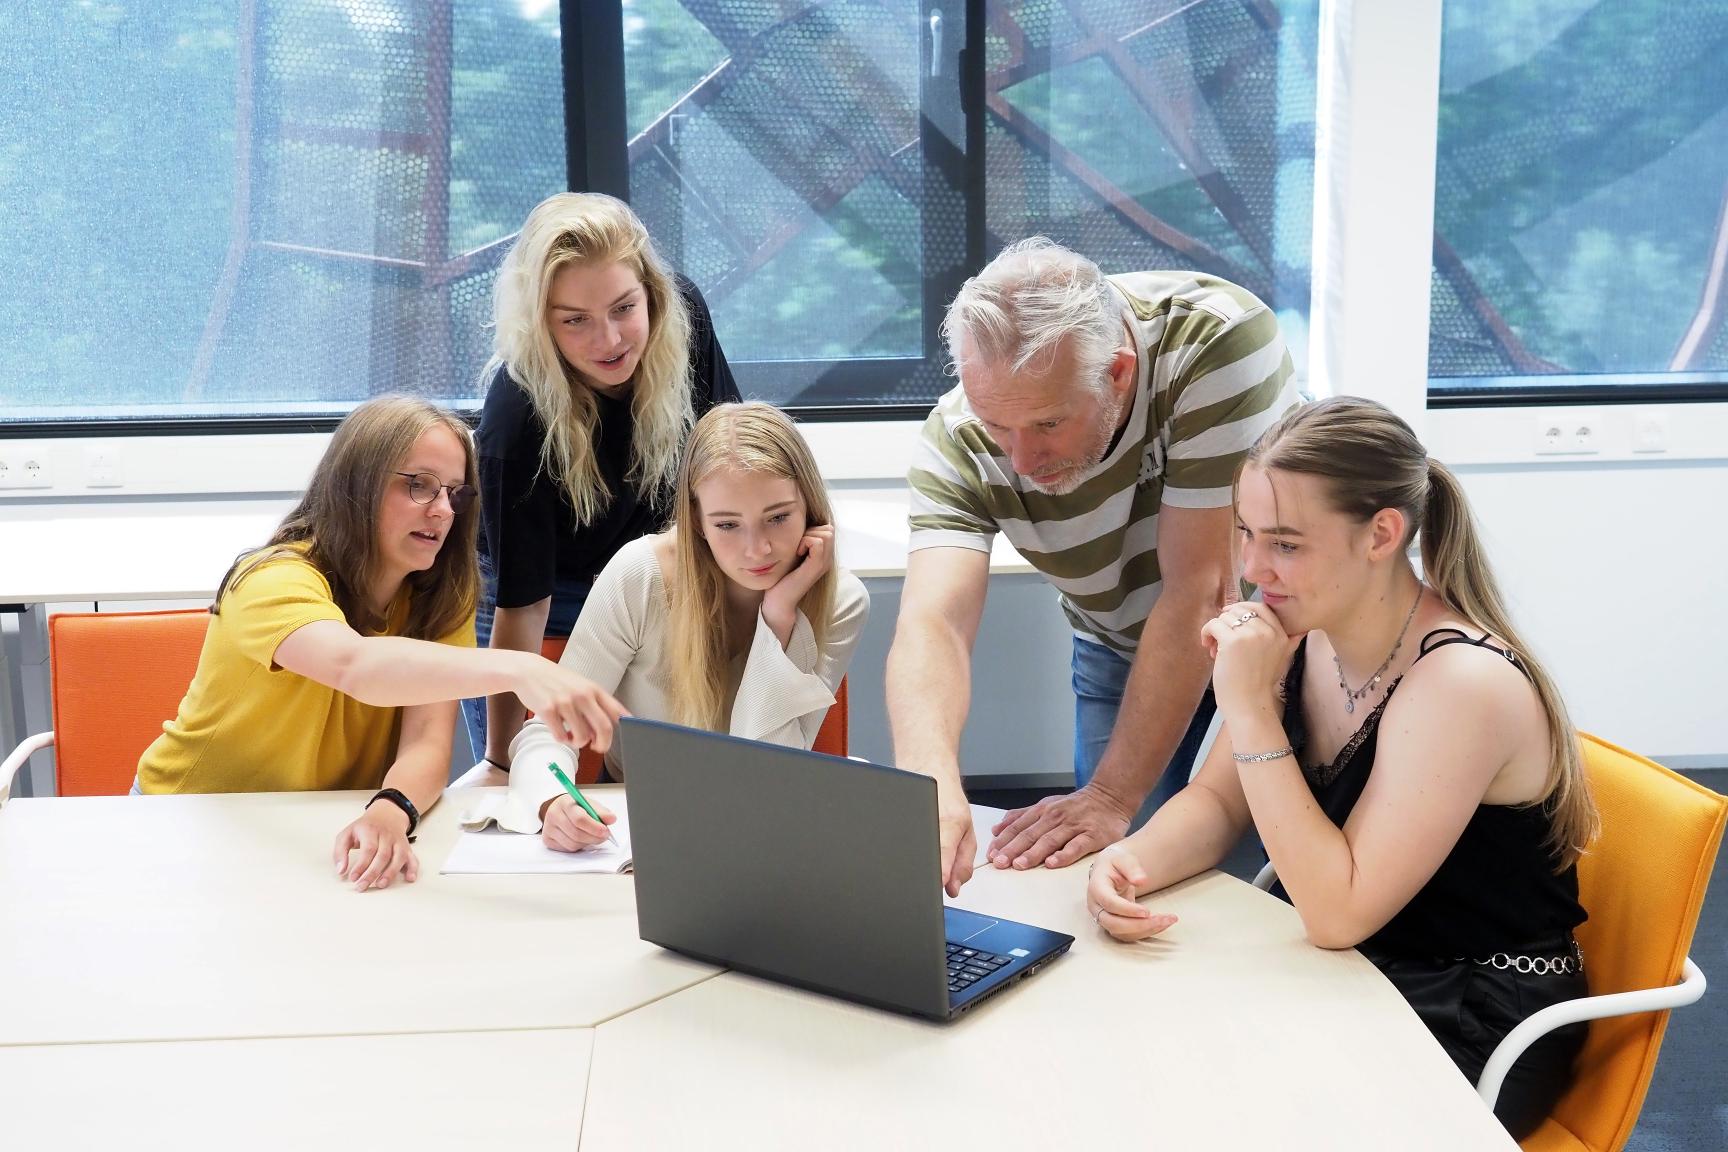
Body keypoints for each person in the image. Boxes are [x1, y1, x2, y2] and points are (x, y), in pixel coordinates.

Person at [1085, 396, 1598, 1138]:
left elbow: (1336, 912)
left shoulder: (1461, 685)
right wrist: (1129, 861)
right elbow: (1220, 803)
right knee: (1136, 1060)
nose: (1255, 570)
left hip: (1469, 1011)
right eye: (1246, 536)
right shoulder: (1304, 629)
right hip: (1354, 971)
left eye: (1287, 545)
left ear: (1382, 535)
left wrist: (1252, 708)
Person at [888, 237, 1299, 895]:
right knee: (1109, 885)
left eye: (1048, 425)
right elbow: (932, 625)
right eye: (999, 426)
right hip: (1116, 648)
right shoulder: (957, 436)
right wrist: (929, 785)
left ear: (1118, 372)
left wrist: (1111, 793)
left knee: (1240, 895)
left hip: (1267, 648)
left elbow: (1200, 591)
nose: (1020, 460)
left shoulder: (1218, 341)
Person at [136, 395, 625, 891]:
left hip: (307, 829)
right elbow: (355, 666)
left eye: (455, 493)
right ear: (358, 483)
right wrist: (523, 669)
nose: (442, 510)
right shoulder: (271, 578)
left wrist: (393, 809)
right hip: (185, 818)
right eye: (420, 486)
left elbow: (427, 743)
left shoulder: (439, 597)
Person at [493, 402, 869, 851]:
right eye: (727, 524)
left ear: (810, 505)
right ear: (696, 521)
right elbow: (545, 736)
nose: (758, 549)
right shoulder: (641, 575)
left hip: (767, 833)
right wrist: (552, 802)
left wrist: (779, 616)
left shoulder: (840, 601)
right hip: (640, 821)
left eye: (778, 517)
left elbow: (765, 776)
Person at [465, 191, 738, 773]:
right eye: (575, 321)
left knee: (666, 775)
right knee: (540, 782)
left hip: (658, 575)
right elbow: (523, 607)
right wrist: (502, 767)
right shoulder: (516, 421)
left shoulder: (682, 317)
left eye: (623, 308)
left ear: (654, 296)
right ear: (541, 323)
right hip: (548, 595)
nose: (609, 340)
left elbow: (731, 459)